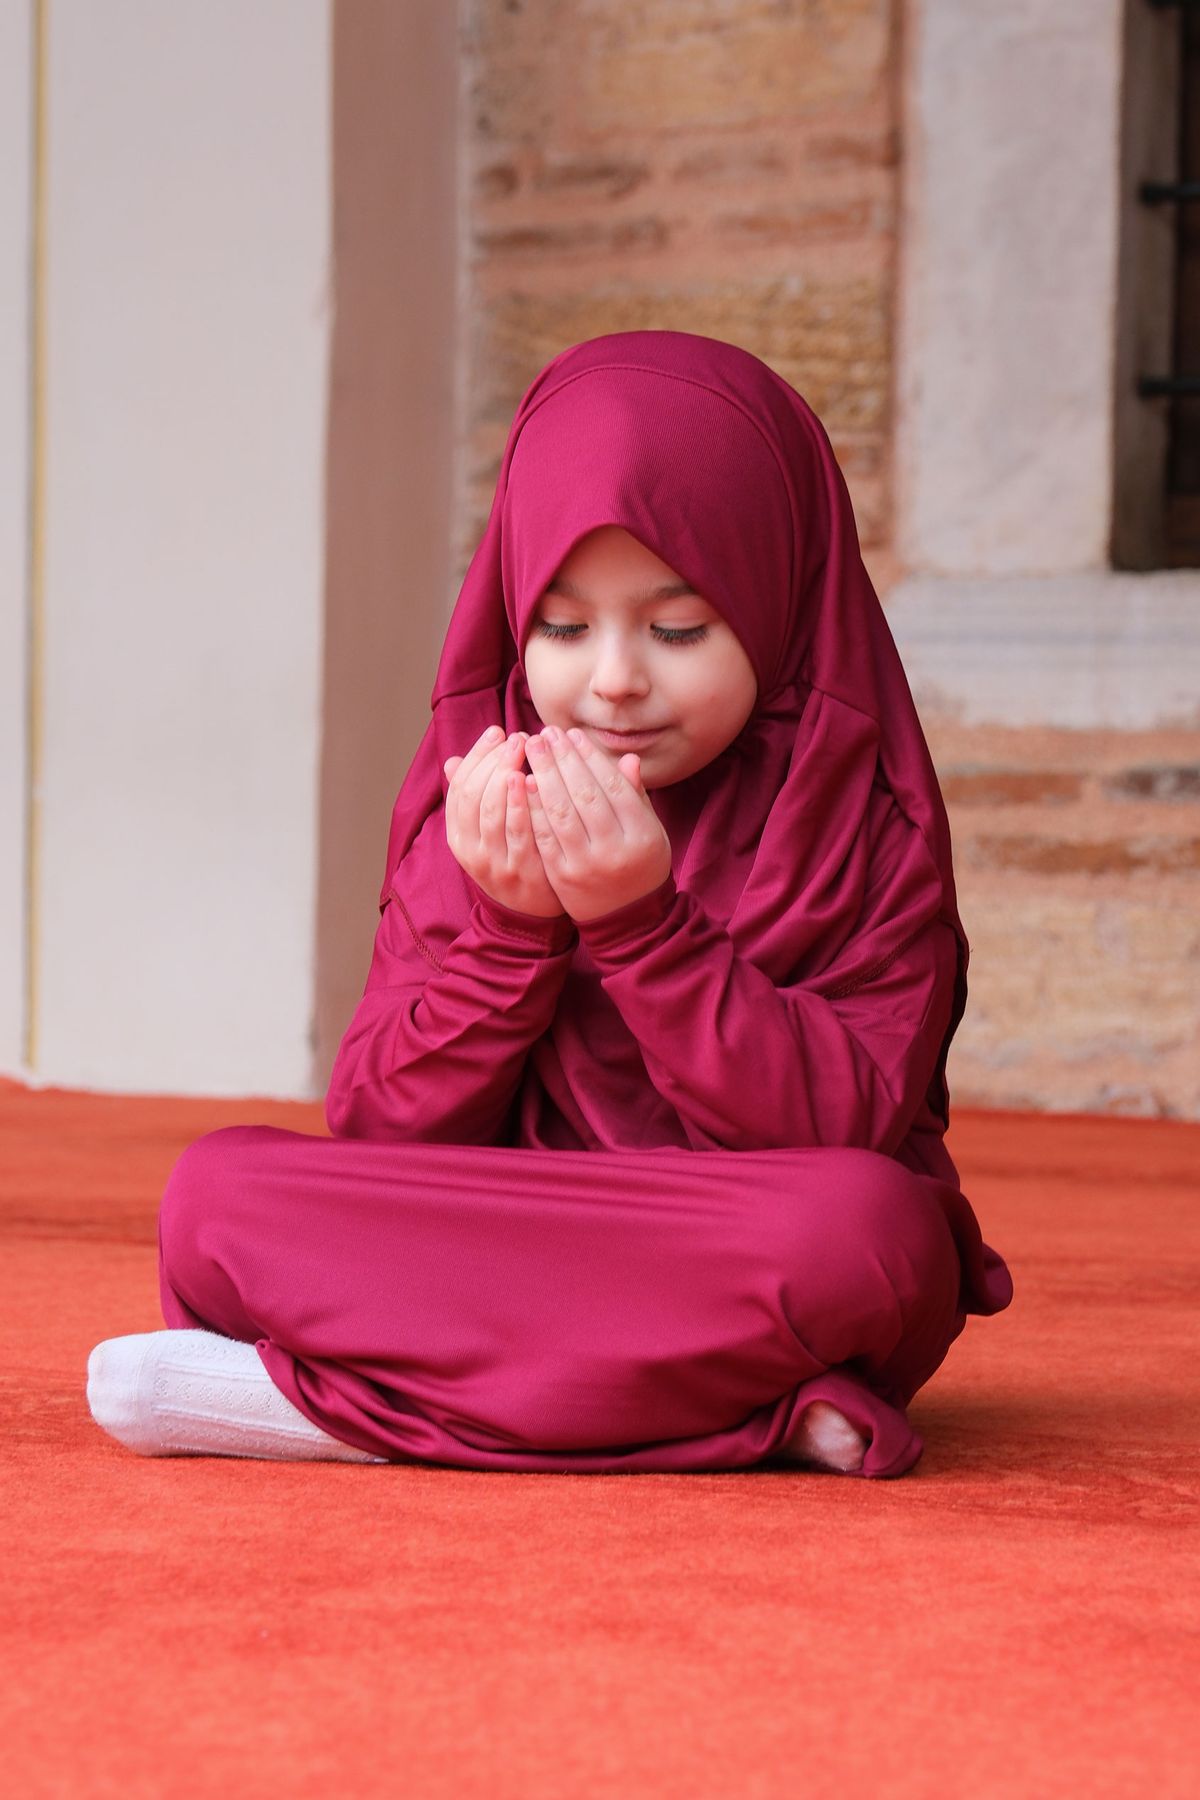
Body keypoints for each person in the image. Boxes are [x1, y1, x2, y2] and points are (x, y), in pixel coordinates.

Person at [86, 329, 1013, 1477]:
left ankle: (327, 1410)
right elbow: (382, 1126)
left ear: (779, 600)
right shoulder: (484, 784)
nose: (614, 679)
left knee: (874, 1238)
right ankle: (748, 1415)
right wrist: (511, 931)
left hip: (729, 1235)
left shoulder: (856, 815)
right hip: (514, 1221)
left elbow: (840, 1128)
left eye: (679, 628)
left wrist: (642, 929)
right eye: (564, 627)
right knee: (215, 1195)